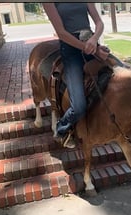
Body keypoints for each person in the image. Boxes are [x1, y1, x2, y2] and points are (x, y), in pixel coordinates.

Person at [42, 3, 106, 148]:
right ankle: (61, 127)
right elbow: (61, 33)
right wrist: (85, 47)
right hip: (71, 49)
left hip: (91, 42)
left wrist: (94, 39)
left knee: (120, 73)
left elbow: (99, 22)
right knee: (78, 107)